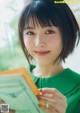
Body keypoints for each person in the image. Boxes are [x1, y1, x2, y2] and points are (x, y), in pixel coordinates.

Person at [18, 0, 80, 113]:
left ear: (67, 33)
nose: (38, 43)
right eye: (30, 33)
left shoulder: (77, 89)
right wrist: (4, 108)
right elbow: (5, 109)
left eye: (49, 31)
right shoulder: (13, 82)